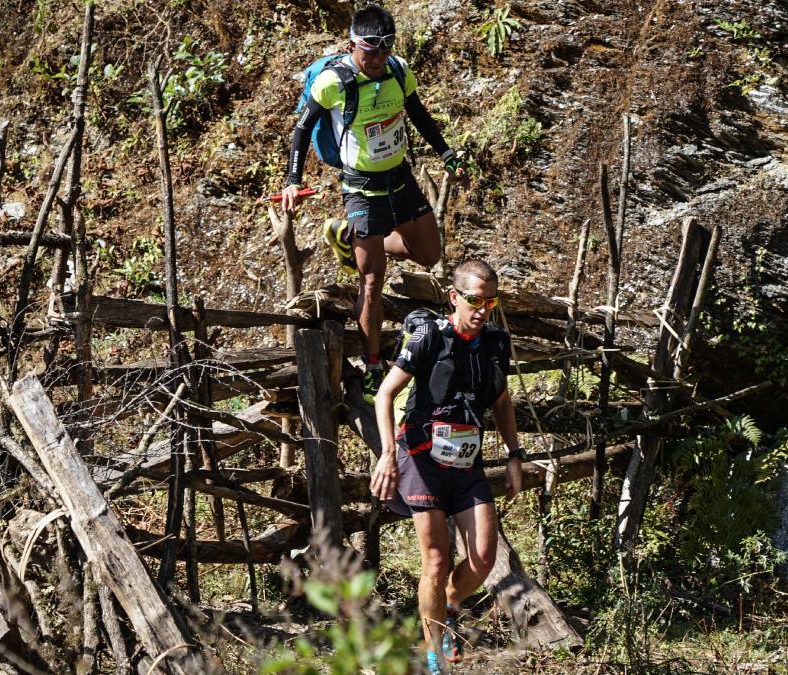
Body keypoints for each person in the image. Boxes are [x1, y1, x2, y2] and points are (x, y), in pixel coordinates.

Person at [281, 4, 466, 402]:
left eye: (385, 50)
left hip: (400, 177)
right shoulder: (333, 82)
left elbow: (418, 112)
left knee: (429, 254)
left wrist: (446, 153)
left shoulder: (398, 70)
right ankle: (373, 365)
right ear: (352, 45)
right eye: (370, 51)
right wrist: (293, 180)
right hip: (361, 187)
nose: (378, 59)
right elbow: (302, 129)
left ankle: (351, 238)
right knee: (372, 280)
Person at [371, 259, 524, 674]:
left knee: (483, 559)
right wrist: (387, 455)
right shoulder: (429, 337)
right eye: (475, 300)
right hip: (421, 459)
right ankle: (433, 651)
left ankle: (448, 607)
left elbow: (502, 400)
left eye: (490, 302)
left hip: (466, 463)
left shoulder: (496, 342)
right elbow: (384, 395)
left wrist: (514, 455)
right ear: (454, 297)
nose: (482, 309)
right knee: (436, 561)